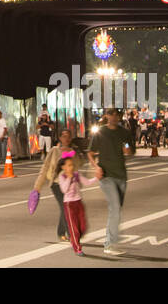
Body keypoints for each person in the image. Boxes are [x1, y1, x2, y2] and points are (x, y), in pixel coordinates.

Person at [87, 107, 133, 256]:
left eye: (116, 115)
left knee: (116, 210)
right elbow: (90, 152)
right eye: (110, 114)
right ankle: (110, 244)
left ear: (119, 117)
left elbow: (130, 150)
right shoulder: (100, 132)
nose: (113, 117)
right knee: (114, 209)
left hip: (121, 175)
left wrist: (127, 148)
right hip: (106, 175)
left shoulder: (124, 132)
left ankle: (110, 241)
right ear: (106, 116)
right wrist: (96, 167)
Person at [32, 128, 84, 243]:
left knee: (66, 208)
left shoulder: (73, 151)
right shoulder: (54, 150)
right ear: (60, 138)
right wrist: (37, 186)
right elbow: (45, 167)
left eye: (68, 136)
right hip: (56, 184)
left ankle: (61, 232)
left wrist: (78, 153)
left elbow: (79, 165)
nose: (66, 139)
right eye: (64, 136)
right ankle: (70, 234)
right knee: (65, 207)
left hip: (69, 185)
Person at [56, 152, 96, 256]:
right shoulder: (62, 177)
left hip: (78, 202)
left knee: (82, 227)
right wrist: (69, 178)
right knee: (74, 228)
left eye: (72, 165)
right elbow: (64, 190)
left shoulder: (77, 174)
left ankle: (75, 239)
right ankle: (77, 248)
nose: (71, 167)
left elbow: (87, 182)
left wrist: (98, 177)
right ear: (63, 167)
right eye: (69, 165)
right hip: (69, 204)